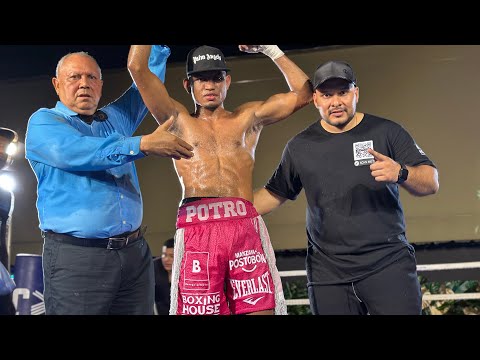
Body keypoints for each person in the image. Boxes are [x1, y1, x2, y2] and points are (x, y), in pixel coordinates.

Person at [128, 44, 313, 315]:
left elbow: (304, 94)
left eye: (216, 77)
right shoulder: (177, 119)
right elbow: (137, 68)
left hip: (243, 228)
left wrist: (271, 50)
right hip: (197, 231)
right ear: (188, 84)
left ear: (227, 81)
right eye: (201, 78)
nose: (209, 85)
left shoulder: (248, 117)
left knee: (261, 310)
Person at [254, 60, 440, 315]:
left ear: (356, 93)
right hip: (328, 275)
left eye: (343, 92)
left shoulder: (386, 131)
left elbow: (431, 181)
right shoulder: (300, 146)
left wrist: (401, 172)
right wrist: (221, 213)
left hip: (388, 265)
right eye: (327, 95)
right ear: (316, 99)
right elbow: (273, 195)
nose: (336, 102)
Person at [24, 46, 194, 315]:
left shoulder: (114, 120)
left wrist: (157, 51)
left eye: (92, 77)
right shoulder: (44, 123)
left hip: (134, 255)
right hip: (78, 258)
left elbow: (144, 85)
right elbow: (85, 152)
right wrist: (144, 143)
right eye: (74, 77)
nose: (84, 84)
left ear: (101, 85)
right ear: (57, 85)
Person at [153, 238, 174, 315]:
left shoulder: (188, 271)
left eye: (171, 256)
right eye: (164, 255)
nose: (166, 259)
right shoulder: (153, 267)